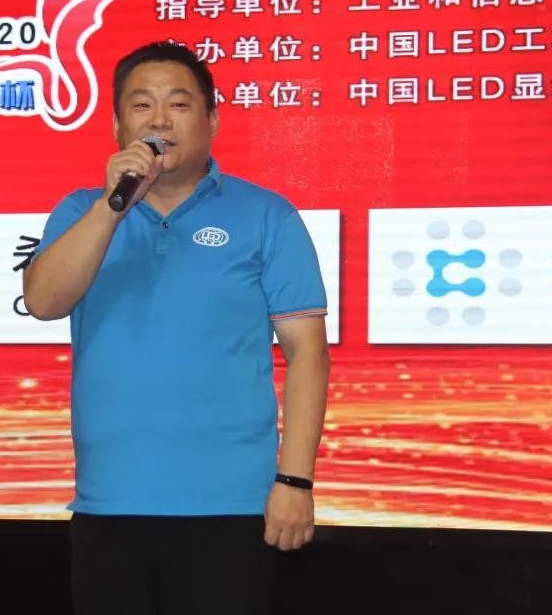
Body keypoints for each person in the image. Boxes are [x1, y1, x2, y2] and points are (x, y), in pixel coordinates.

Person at [24, 41, 330, 615]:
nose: (159, 121)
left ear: (211, 120)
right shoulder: (82, 211)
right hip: (110, 503)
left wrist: (295, 482)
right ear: (117, 125)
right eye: (141, 105)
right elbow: (42, 302)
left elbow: (307, 354)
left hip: (233, 505)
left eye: (179, 104)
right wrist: (113, 207)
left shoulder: (267, 215)